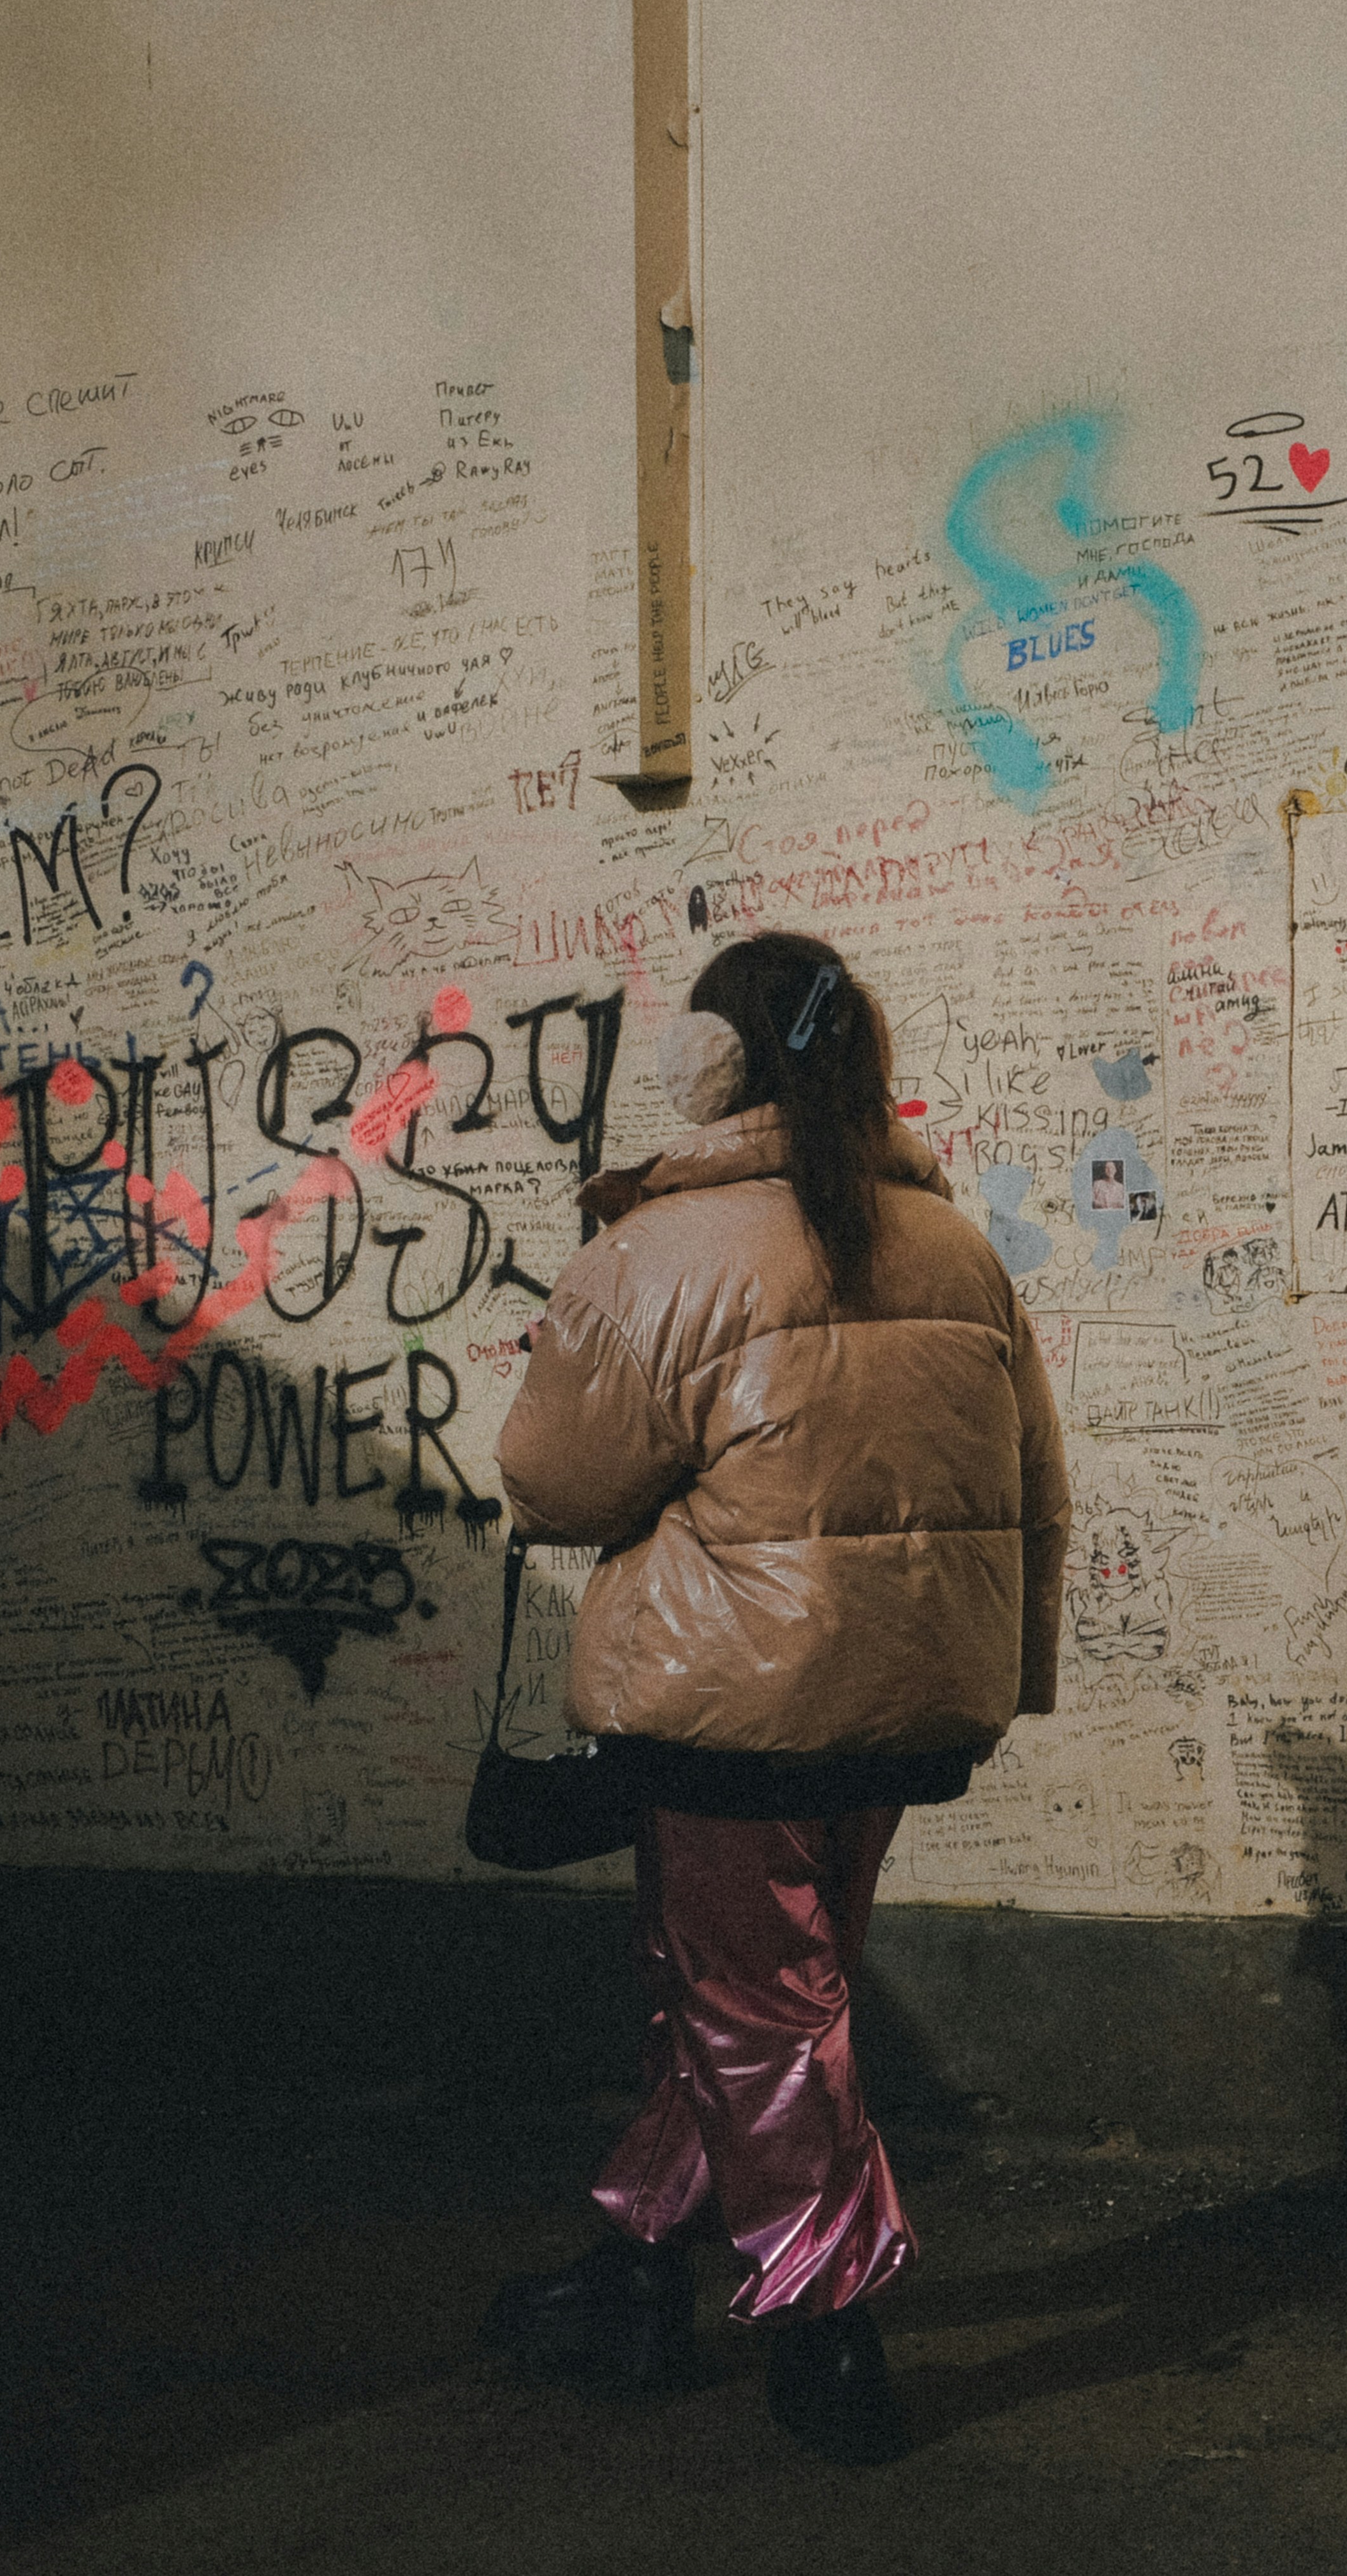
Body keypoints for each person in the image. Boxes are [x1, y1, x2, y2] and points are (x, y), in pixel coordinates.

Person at [480, 930, 1069, 2464]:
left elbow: (551, 1477)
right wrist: (1012, 1671)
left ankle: (830, 2321)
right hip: (900, 1699)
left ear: (710, 1065)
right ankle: (632, 2266)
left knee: (758, 2007)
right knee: (763, 2005)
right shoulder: (958, 1251)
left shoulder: (664, 1254)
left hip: (723, 1706)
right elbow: (1034, 1484)